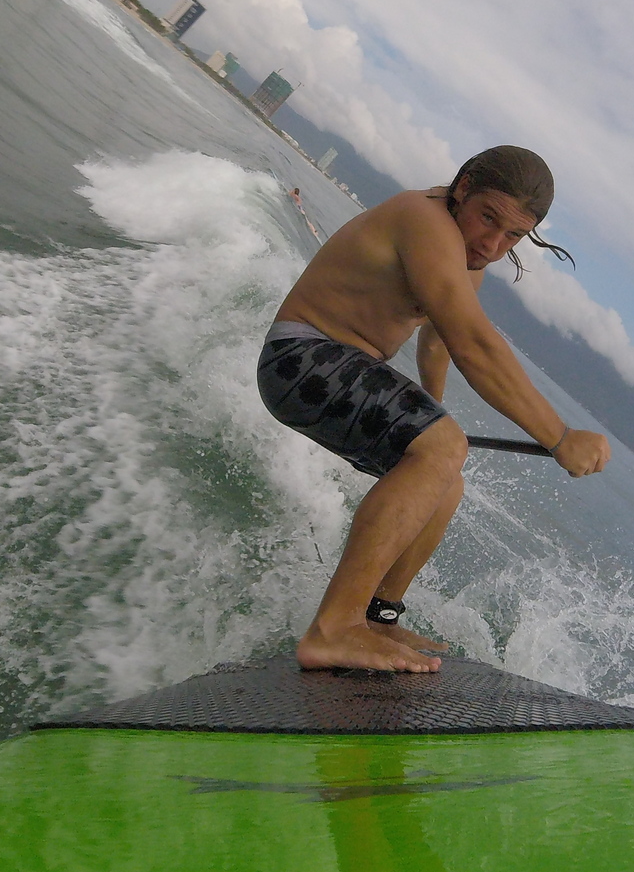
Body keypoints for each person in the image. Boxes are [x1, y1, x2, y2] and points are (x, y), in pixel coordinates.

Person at [258, 145, 611, 672]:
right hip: (301, 357)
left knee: (447, 473)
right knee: (443, 447)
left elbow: (440, 343)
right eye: (488, 218)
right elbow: (474, 344)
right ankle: (334, 627)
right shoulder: (423, 220)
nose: (493, 244)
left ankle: (378, 616)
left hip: (338, 364)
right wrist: (559, 437)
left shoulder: (467, 258)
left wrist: (431, 418)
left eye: (513, 235)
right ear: (462, 187)